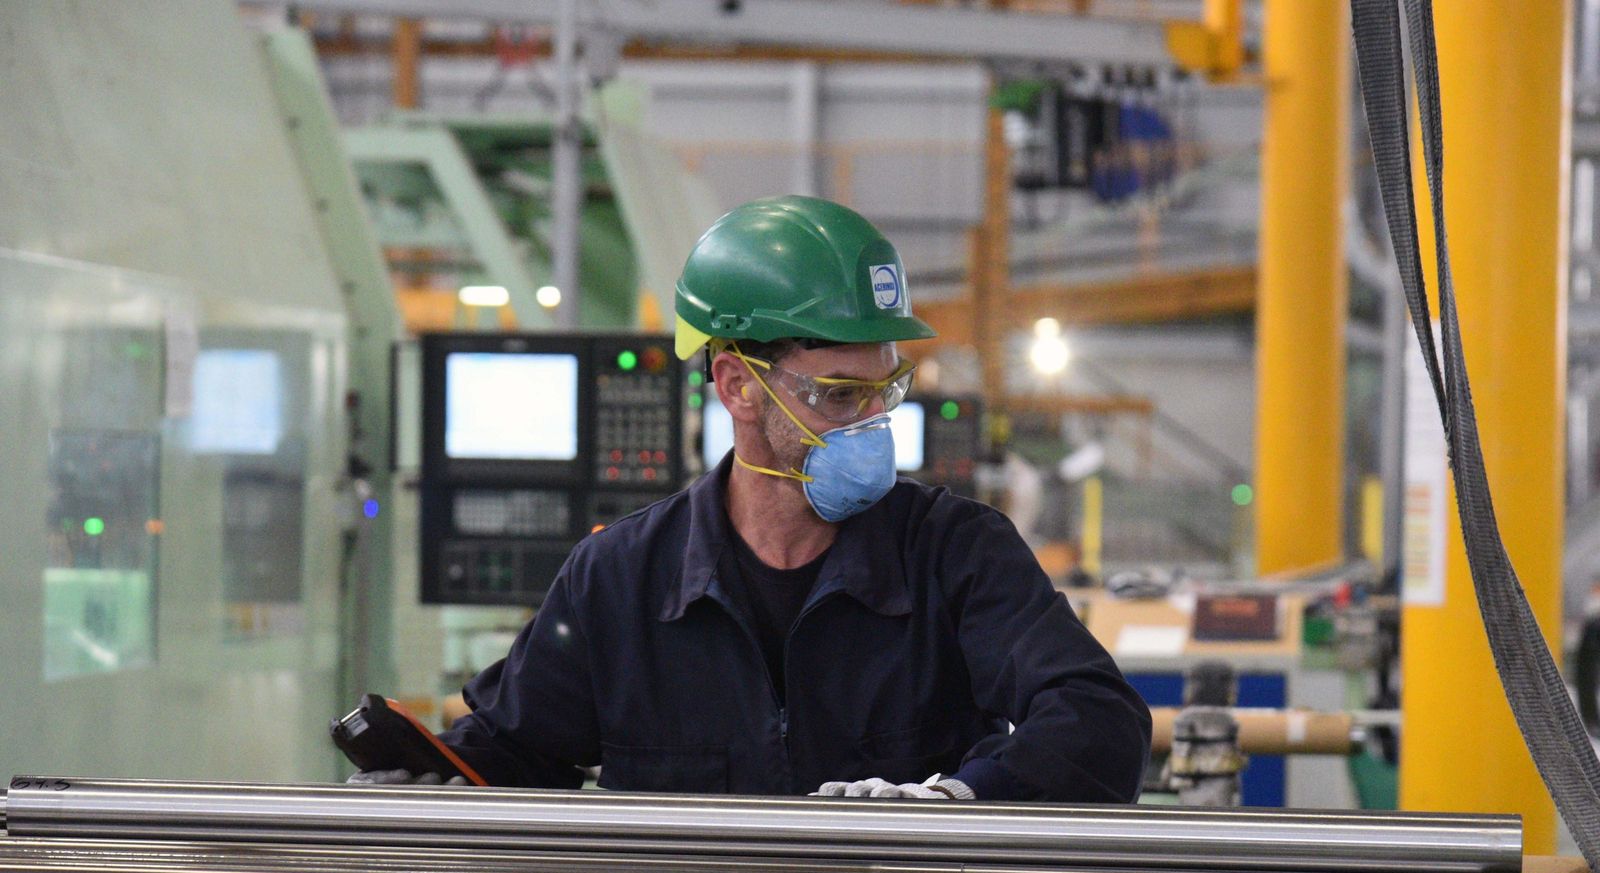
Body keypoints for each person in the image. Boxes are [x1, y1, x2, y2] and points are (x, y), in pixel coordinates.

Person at [353, 196, 1151, 801]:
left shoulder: (954, 554)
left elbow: (1096, 719)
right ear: (737, 384)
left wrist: (949, 801)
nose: (875, 423)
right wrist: (429, 787)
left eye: (886, 390)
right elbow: (514, 751)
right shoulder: (621, 578)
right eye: (841, 395)